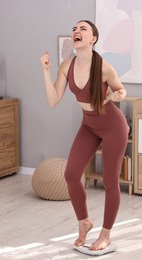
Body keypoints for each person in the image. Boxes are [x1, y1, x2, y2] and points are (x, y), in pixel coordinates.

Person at [39, 20, 128, 251]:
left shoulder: (104, 67)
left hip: (113, 126)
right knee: (71, 174)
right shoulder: (66, 65)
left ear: (93, 39)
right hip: (88, 125)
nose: (76, 31)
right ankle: (84, 222)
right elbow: (53, 100)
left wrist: (118, 96)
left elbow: (120, 89)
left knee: (110, 181)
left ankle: (106, 234)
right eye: (74, 29)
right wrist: (46, 71)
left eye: (83, 29)